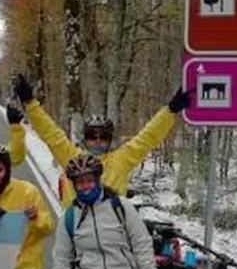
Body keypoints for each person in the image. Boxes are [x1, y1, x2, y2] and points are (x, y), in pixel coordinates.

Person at [13, 74, 190, 206]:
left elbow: (147, 137)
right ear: (85, 138)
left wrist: (170, 111)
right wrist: (29, 103)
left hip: (110, 243)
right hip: (75, 240)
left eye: (103, 137)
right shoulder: (72, 158)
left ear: (110, 140)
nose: (97, 141)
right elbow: (50, 133)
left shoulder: (120, 161)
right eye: (92, 136)